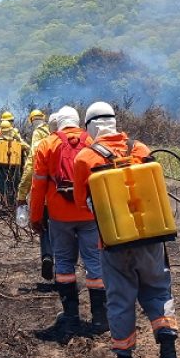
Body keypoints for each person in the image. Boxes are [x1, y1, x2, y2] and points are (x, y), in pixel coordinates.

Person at [72, 102, 180, 358]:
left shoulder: (85, 158)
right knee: (158, 293)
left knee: (121, 302)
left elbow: (79, 203)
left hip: (113, 244)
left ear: (91, 128)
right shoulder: (141, 149)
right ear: (114, 121)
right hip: (151, 240)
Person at [29, 106, 107, 337]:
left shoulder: (47, 144)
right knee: (95, 263)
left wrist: (35, 217)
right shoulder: (92, 140)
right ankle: (100, 319)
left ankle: (71, 318)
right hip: (89, 214)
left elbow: (38, 185)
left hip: (59, 215)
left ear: (58, 123)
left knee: (63, 265)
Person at [16, 109, 54, 280]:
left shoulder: (38, 135)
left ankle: (47, 255)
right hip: (68, 193)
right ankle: (64, 265)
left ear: (32, 121)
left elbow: (32, 163)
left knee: (45, 227)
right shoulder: (57, 132)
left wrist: (21, 193)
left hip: (46, 193)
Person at [0, 120, 29, 208]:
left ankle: (4, 202)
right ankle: (16, 203)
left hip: (0, 167)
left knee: (2, 183)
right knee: (16, 184)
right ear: (11, 129)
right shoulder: (18, 142)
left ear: (1, 130)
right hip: (15, 167)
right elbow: (28, 148)